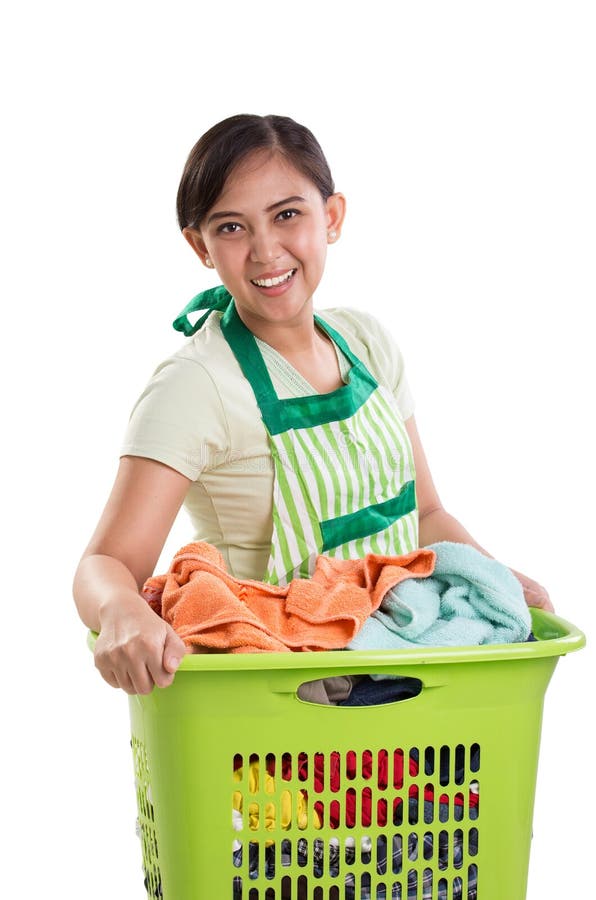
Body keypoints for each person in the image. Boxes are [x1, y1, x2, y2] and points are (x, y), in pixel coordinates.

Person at [72, 113, 552, 697]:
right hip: (287, 692)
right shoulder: (195, 384)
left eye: (287, 215)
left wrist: (500, 582)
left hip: (417, 664)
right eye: (231, 227)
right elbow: (106, 562)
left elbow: (425, 515)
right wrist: (122, 609)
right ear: (200, 246)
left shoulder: (368, 343)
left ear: (332, 217)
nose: (266, 251)